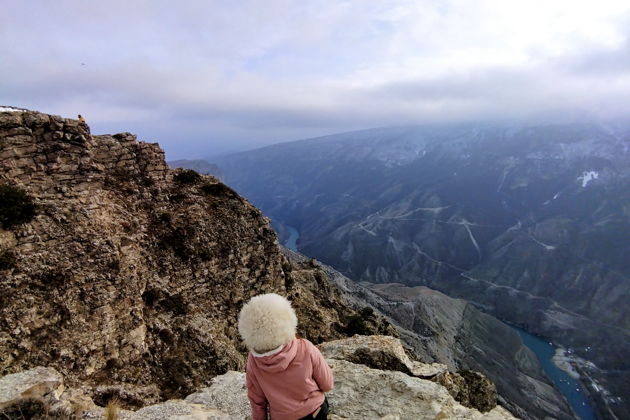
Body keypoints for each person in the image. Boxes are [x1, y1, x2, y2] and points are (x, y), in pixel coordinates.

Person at [238, 293, 333, 420]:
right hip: (315, 413)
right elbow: (327, 385)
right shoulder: (306, 348)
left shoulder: (253, 361)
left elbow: (257, 402)